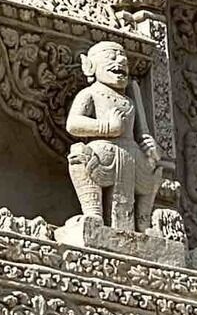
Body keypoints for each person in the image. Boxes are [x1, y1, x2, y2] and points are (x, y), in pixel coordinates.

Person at [65, 40, 161, 235]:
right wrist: (106, 127)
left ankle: (143, 221)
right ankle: (94, 212)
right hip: (103, 153)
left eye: (124, 60)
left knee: (156, 169)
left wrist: (151, 148)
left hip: (132, 155)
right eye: (111, 57)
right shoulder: (90, 93)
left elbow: (142, 133)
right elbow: (73, 124)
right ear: (90, 66)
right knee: (79, 157)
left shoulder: (130, 101)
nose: (120, 61)